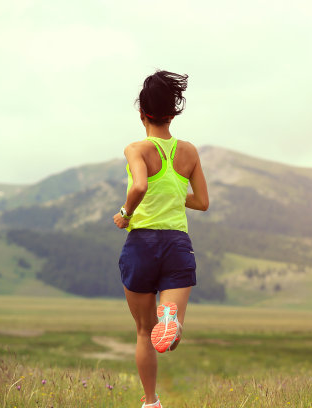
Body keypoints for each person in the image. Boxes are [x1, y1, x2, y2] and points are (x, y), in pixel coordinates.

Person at [113, 70, 209, 408]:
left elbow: (139, 186)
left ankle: (151, 401)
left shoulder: (136, 149)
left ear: (142, 113)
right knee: (169, 333)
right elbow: (202, 202)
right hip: (177, 246)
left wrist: (125, 214)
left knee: (143, 331)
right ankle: (172, 318)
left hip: (142, 245)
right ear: (172, 113)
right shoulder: (189, 151)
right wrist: (173, 195)